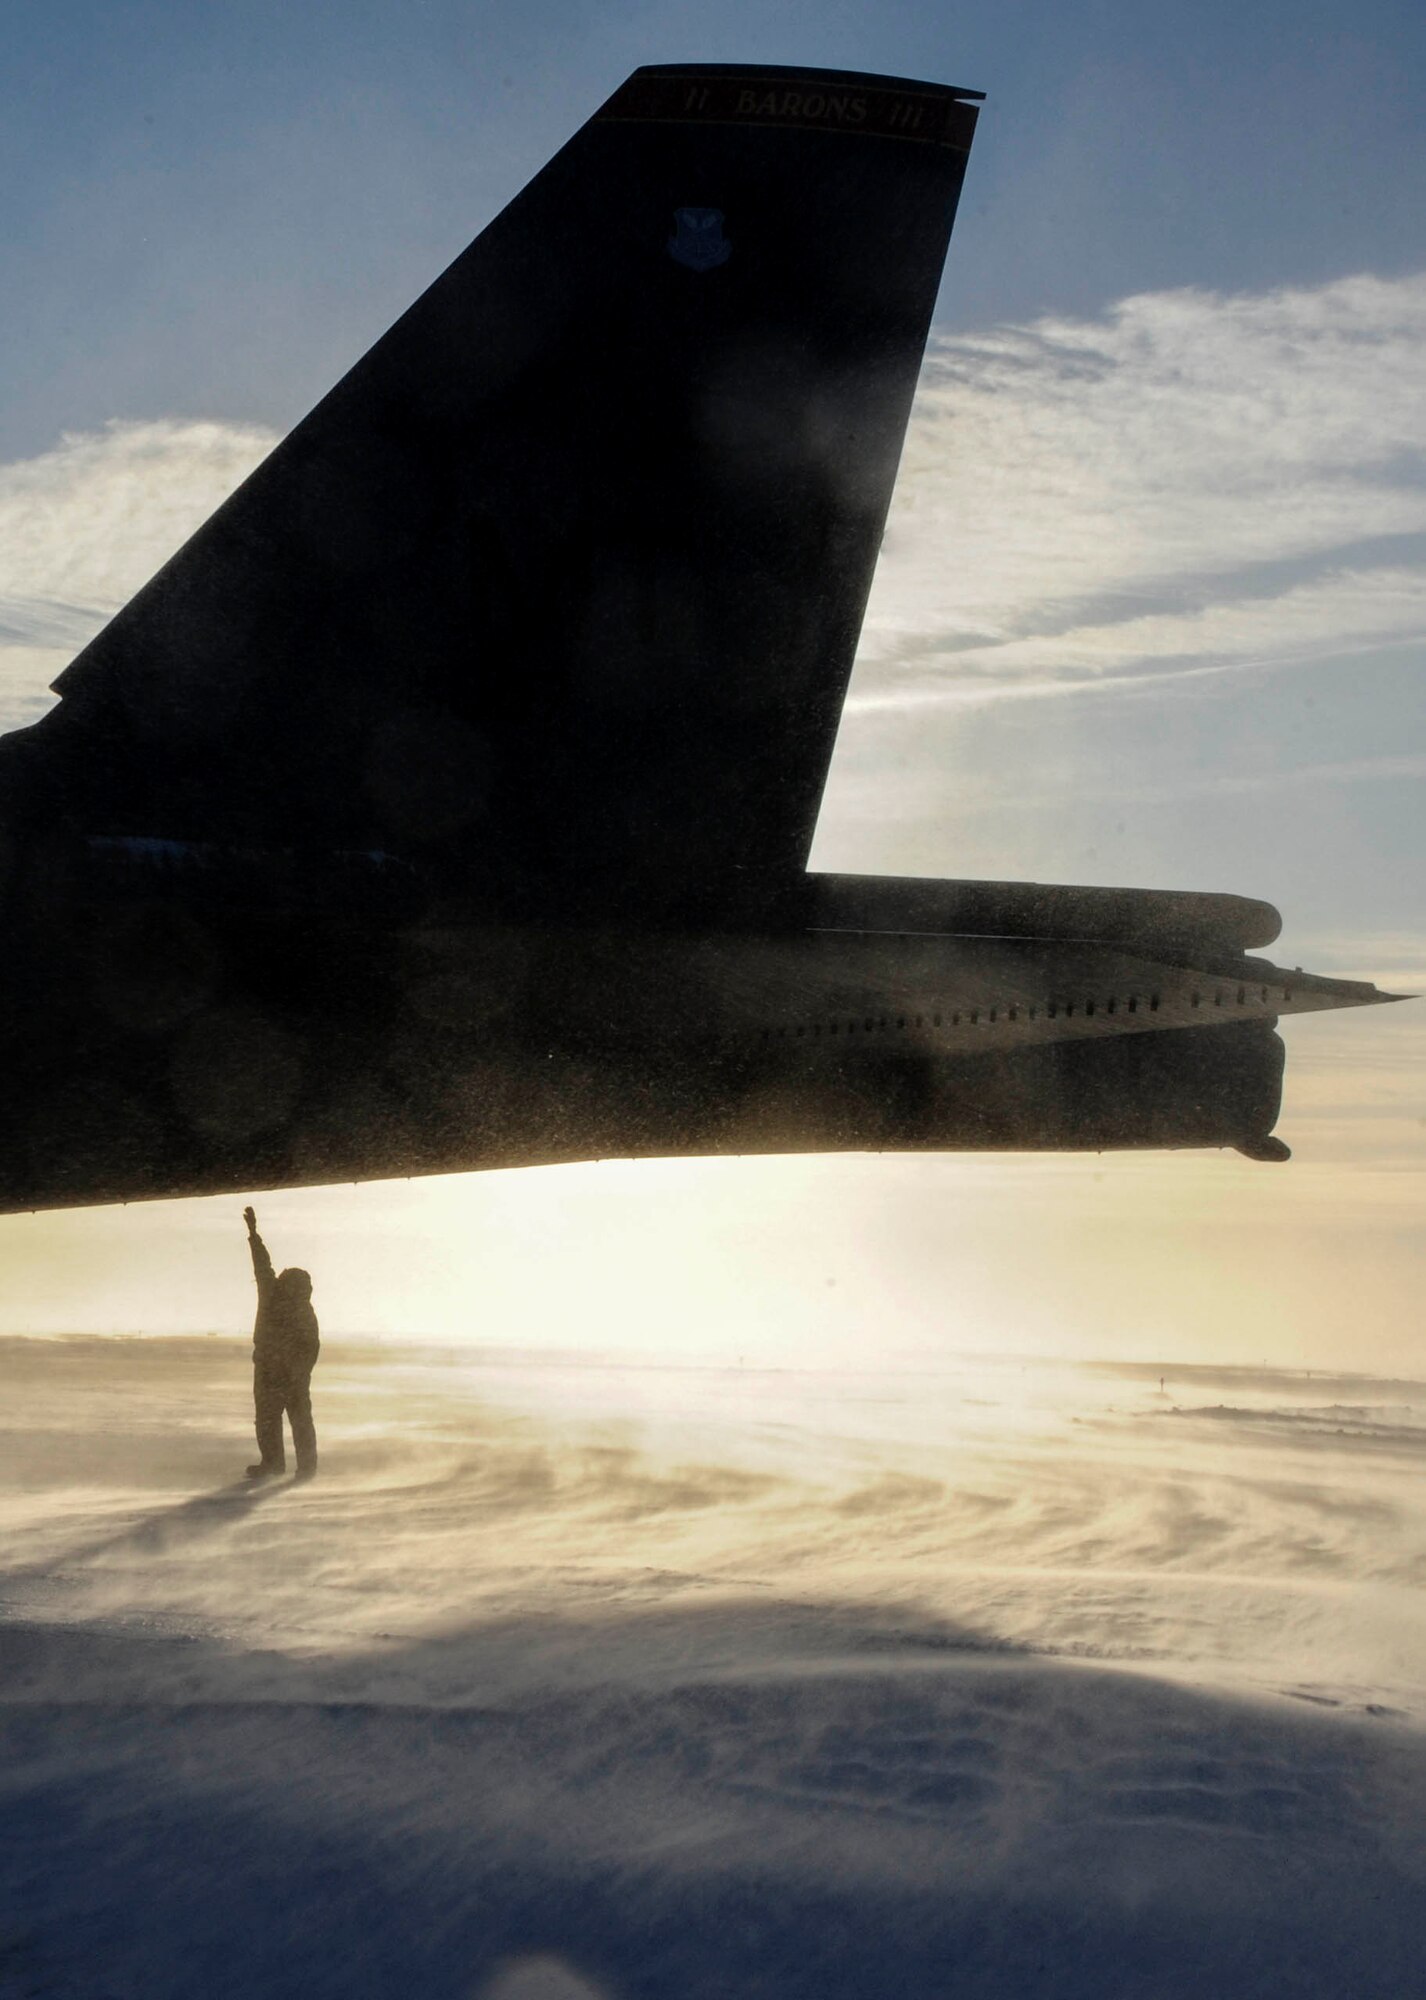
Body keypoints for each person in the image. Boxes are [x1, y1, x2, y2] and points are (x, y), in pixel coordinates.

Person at [243, 1205, 320, 1481]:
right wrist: (253, 1235)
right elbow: (262, 1264)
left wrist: (297, 1372)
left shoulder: (300, 1309)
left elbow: (311, 1348)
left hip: (287, 1374)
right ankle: (275, 1464)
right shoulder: (274, 1294)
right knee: (270, 1419)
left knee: (293, 1420)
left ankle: (303, 1468)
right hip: (270, 1369)